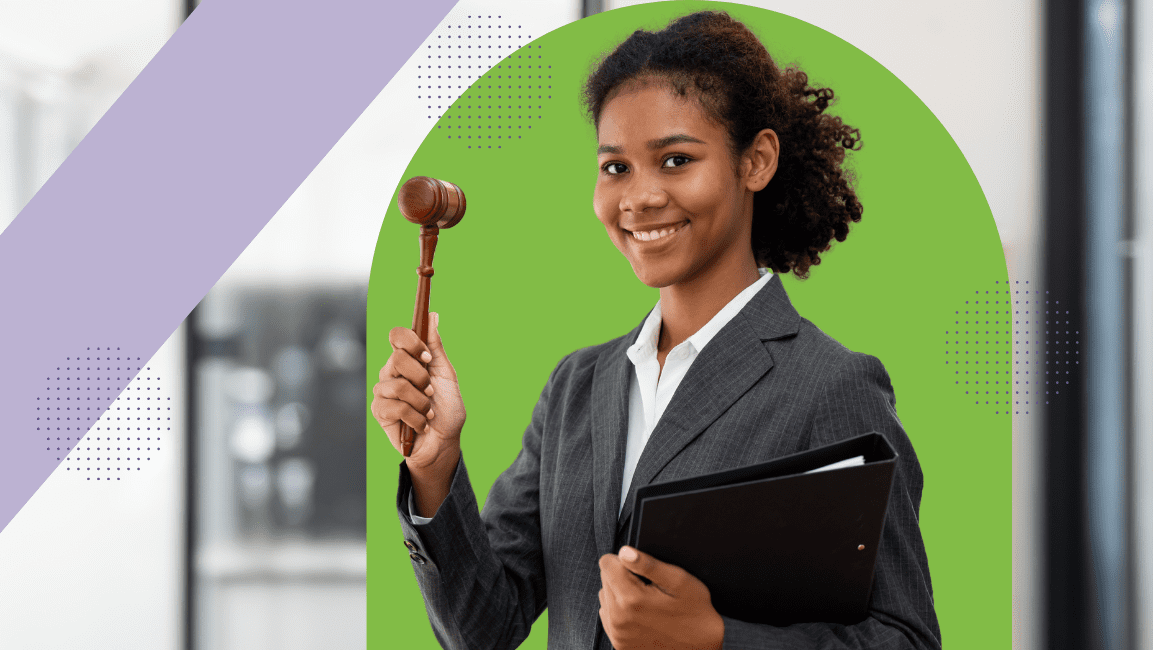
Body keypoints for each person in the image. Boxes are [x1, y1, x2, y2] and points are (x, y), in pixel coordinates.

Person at [371, 11, 940, 650]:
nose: (638, 198)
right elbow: (485, 628)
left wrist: (717, 638)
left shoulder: (831, 386)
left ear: (756, 161)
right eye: (616, 168)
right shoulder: (577, 387)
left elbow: (905, 639)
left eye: (674, 160)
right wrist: (436, 466)